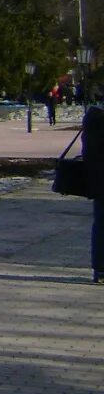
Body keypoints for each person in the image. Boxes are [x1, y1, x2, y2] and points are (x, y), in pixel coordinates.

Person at [83, 105, 104, 284]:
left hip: (99, 181)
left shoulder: (93, 118)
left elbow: (88, 152)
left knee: (101, 224)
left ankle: (101, 269)